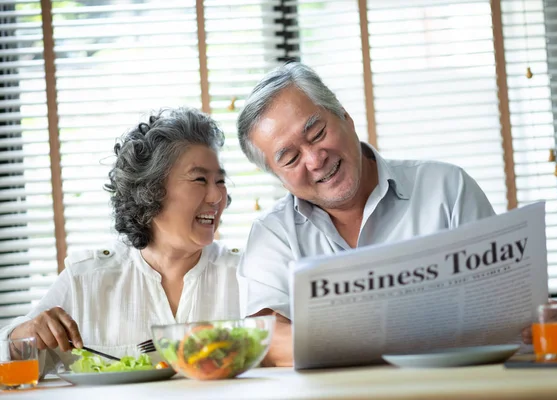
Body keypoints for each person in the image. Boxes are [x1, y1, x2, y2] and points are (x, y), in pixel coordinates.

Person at [236, 62, 501, 367]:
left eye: (318, 133)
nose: (315, 159)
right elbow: (266, 339)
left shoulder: (448, 189)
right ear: (278, 177)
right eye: (291, 158)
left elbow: (499, 308)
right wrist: (393, 341)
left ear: (345, 117)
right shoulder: (272, 235)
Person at [1, 107, 241, 376]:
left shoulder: (246, 274)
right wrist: (24, 336)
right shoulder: (85, 280)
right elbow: (12, 362)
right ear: (150, 191)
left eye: (220, 181)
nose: (216, 196)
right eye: (200, 179)